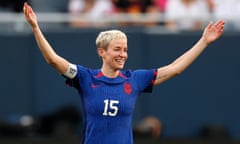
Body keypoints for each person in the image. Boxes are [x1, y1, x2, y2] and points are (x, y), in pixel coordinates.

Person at [23, 2, 225, 144]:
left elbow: (176, 68)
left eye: (125, 49)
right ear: (102, 52)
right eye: (117, 49)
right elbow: (53, 60)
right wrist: (35, 27)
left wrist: (204, 41)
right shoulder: (85, 78)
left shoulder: (135, 79)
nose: (123, 54)